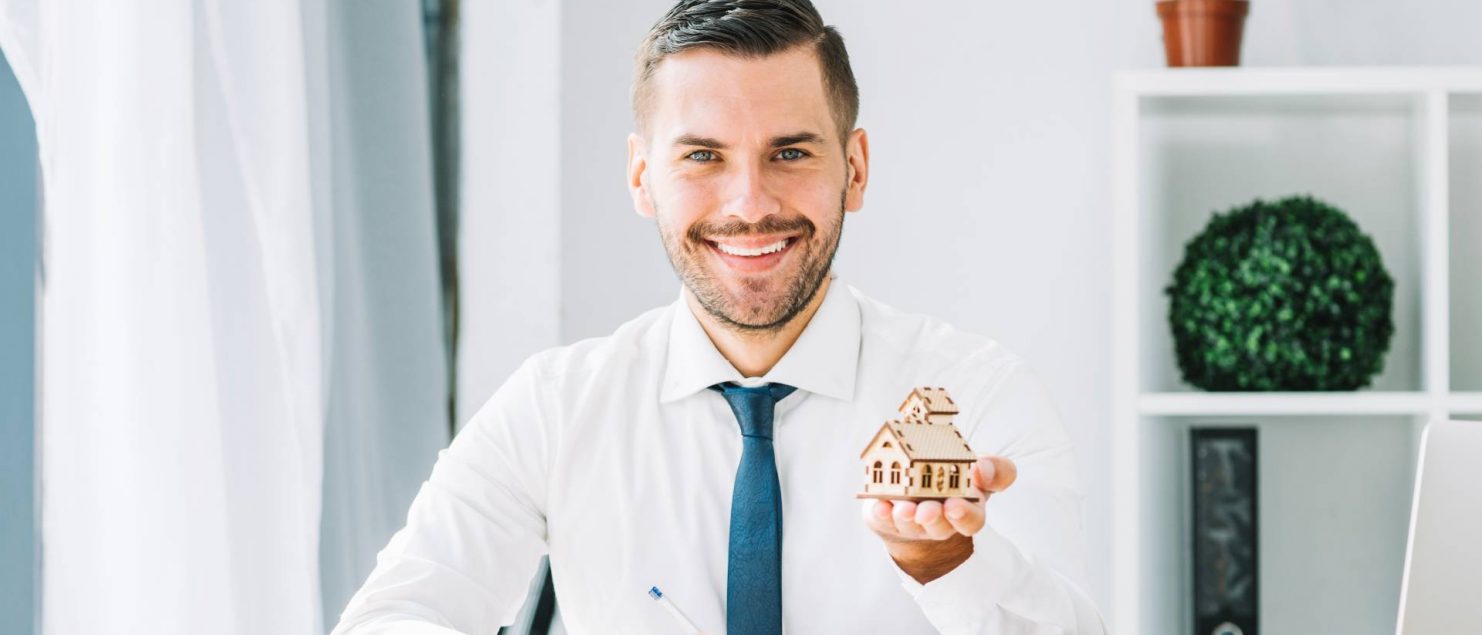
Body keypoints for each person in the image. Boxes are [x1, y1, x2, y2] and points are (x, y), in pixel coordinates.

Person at [332, 1, 1105, 633]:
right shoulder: (556, 408)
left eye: (791, 153)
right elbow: (396, 613)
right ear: (643, 177)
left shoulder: (979, 397)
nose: (750, 204)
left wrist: (947, 566)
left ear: (856, 168)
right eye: (702, 156)